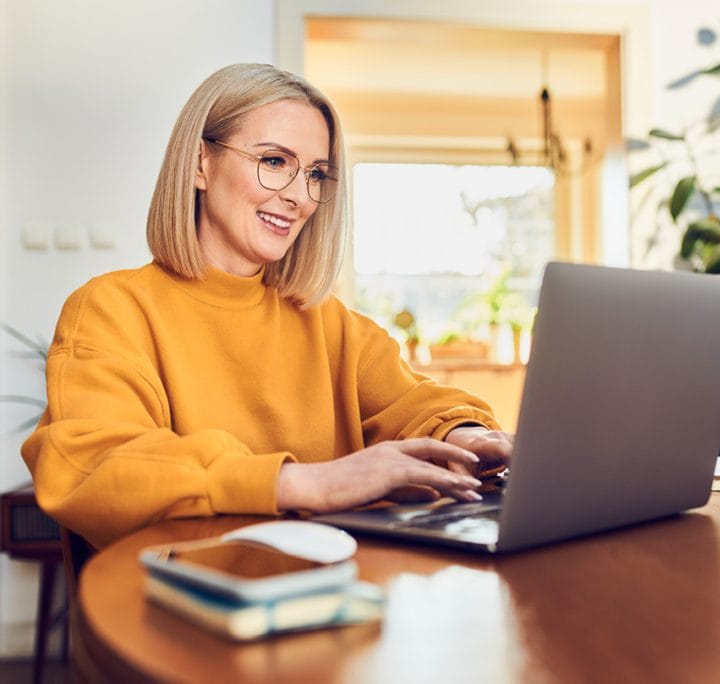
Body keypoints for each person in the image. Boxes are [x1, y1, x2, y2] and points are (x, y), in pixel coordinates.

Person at [21, 64, 513, 549]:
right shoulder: (112, 309)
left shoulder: (326, 320)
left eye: (316, 174)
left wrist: (465, 436)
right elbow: (96, 465)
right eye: (275, 161)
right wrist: (305, 484)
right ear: (200, 163)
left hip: (333, 599)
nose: (299, 197)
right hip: (180, 606)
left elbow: (419, 403)